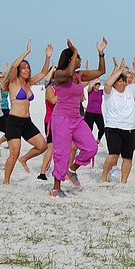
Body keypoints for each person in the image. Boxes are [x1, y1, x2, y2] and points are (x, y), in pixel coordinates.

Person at [49, 38, 107, 197]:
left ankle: (72, 169)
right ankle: (56, 188)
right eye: (77, 57)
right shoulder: (59, 74)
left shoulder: (79, 75)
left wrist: (101, 53)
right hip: (61, 119)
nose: (80, 60)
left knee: (91, 147)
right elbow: (67, 73)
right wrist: (74, 51)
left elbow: (101, 71)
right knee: (62, 153)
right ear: (70, 59)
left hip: (76, 118)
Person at [2, 42, 52, 184]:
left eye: (28, 68)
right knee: (14, 152)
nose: (26, 70)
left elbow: (43, 73)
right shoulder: (14, 82)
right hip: (14, 121)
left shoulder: (28, 83)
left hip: (26, 121)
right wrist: (27, 52)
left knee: (42, 146)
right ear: (18, 71)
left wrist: (47, 57)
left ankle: (24, 159)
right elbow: (13, 66)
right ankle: (6, 181)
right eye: (23, 68)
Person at [101, 57, 135, 183]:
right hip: (113, 127)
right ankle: (104, 176)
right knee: (113, 155)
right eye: (119, 81)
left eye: (123, 81)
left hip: (130, 128)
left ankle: (123, 181)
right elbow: (108, 83)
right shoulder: (110, 93)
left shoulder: (130, 90)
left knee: (128, 157)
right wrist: (119, 69)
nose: (122, 83)